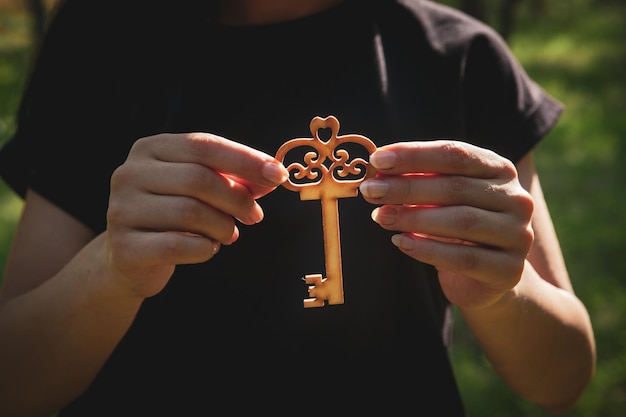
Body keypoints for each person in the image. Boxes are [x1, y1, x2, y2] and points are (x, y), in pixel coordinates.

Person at [0, 0, 596, 416]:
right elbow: (14, 382)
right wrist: (111, 271)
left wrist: (504, 290)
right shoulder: (102, 48)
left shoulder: (460, 60)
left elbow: (562, 378)